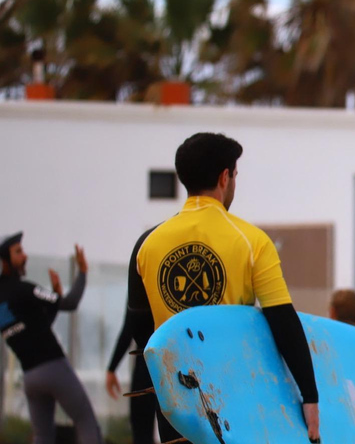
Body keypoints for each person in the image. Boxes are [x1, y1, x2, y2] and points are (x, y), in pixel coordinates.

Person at [126, 132, 320, 443]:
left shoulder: (147, 244)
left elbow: (139, 324)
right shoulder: (251, 241)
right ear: (224, 177)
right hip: (235, 398)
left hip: (175, 399)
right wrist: (310, 396)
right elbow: (283, 320)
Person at [0, 233, 102, 444]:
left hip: (30, 378)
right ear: (5, 261)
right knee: (86, 422)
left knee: (43, 436)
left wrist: (53, 296)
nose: (24, 255)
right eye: (18, 252)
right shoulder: (24, 289)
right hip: (54, 367)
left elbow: (38, 326)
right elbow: (71, 302)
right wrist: (82, 272)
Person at [105, 303, 155, 444]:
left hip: (147, 359)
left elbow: (130, 327)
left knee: (142, 427)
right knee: (178, 429)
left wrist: (111, 368)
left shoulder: (142, 280)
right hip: (179, 357)